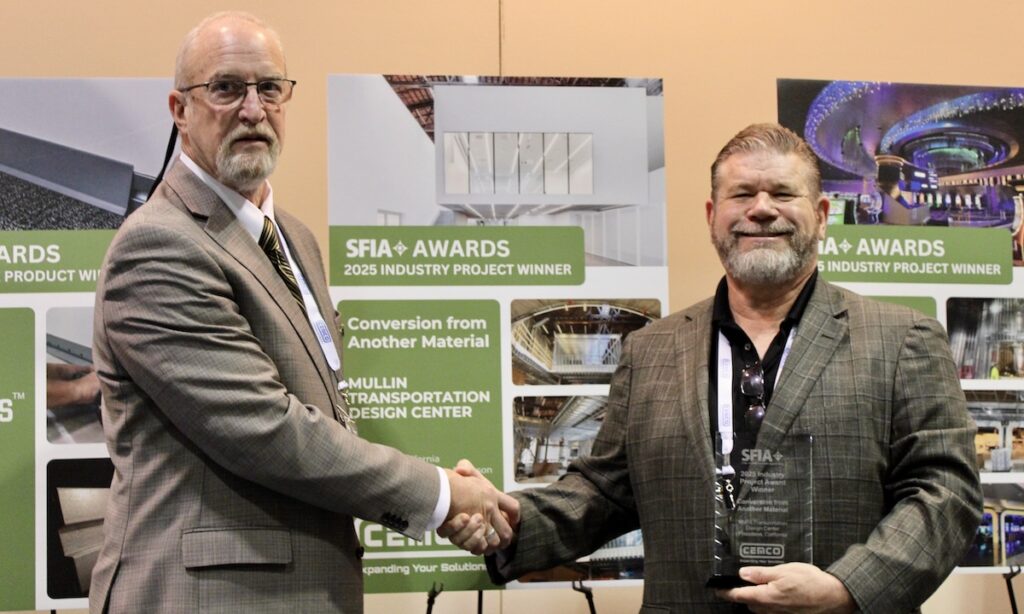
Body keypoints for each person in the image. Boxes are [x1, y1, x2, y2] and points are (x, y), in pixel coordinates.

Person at [442, 123, 982, 613]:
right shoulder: (651, 350)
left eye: (783, 193)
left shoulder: (902, 338)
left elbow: (944, 494)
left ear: (820, 217)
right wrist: (513, 523)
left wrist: (846, 589)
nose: (762, 209)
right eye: (742, 194)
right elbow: (605, 491)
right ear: (712, 216)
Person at [88, 12, 516, 614]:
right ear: (179, 110)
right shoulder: (158, 244)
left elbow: (325, 413)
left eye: (270, 88)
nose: (254, 110)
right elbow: (264, 428)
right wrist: (444, 497)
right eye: (226, 88)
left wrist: (450, 501)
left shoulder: (294, 237)